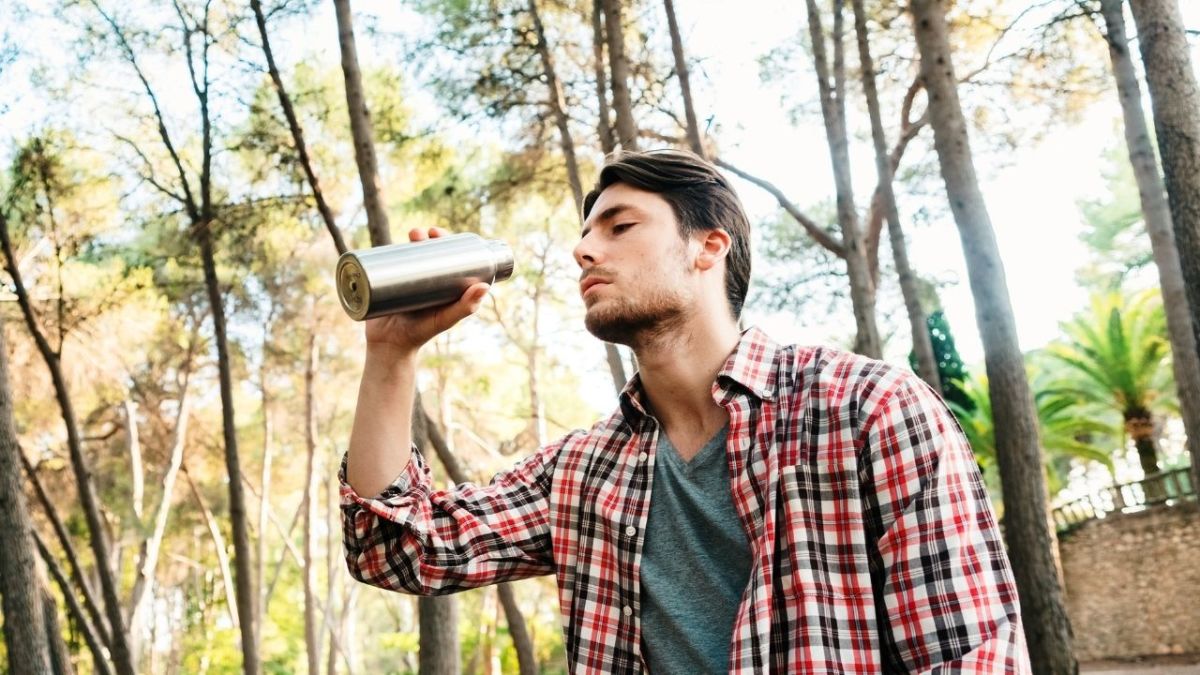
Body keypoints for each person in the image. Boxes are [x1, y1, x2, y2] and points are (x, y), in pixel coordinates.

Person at [340, 149, 1031, 673]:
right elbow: (400, 549)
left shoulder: (866, 409)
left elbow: (970, 653)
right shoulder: (584, 471)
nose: (584, 249)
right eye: (586, 233)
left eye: (619, 225)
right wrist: (391, 354)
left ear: (709, 246)